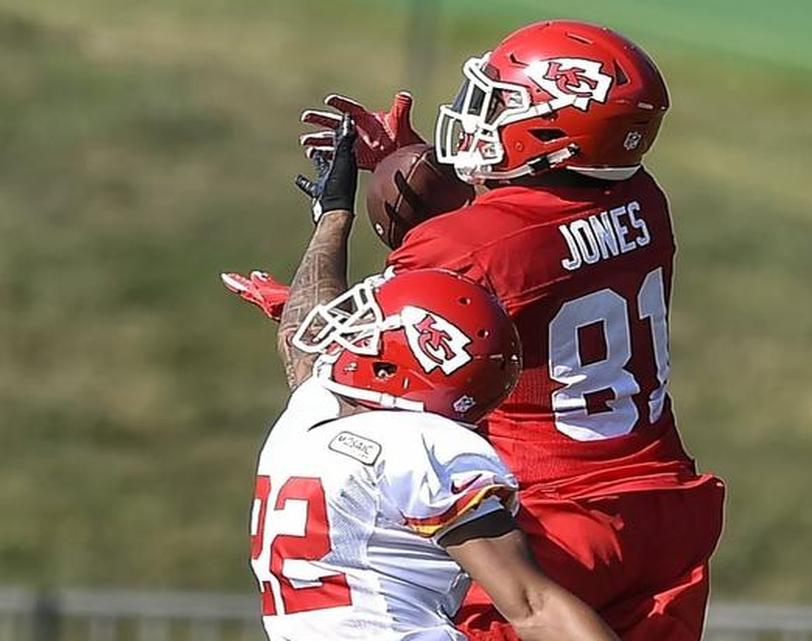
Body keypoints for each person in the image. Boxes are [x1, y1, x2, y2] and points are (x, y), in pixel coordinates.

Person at [228, 19, 726, 641]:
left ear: (554, 132)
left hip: (554, 516)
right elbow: (538, 240)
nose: (476, 114)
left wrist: (330, 245)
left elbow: (352, 365)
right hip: (665, 504)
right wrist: (429, 181)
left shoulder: (463, 245)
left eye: (502, 101)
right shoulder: (644, 199)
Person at [235, 119, 619, 641]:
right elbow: (531, 605)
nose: (350, 331)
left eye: (371, 324)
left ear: (400, 364)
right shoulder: (422, 446)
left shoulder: (307, 421)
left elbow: (299, 336)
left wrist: (333, 219)